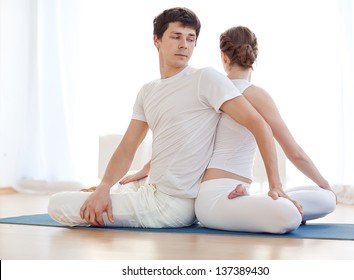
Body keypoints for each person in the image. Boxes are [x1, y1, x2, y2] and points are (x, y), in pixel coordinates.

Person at [47, 8, 285, 228]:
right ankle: (115, 194)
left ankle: (114, 197)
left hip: (171, 204)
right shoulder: (148, 91)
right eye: (176, 36)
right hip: (152, 186)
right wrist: (105, 186)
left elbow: (259, 125)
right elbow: (128, 146)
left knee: (57, 204)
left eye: (190, 39)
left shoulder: (206, 79)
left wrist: (275, 186)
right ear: (157, 40)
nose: (184, 45)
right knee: (107, 188)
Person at [121, 26, 337, 234]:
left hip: (229, 193)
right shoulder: (243, 94)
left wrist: (147, 167)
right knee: (298, 211)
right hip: (215, 199)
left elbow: (183, 138)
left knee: (325, 198)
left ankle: (254, 199)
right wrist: (325, 185)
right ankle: (258, 202)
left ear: (223, 56)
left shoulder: (209, 90)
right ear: (254, 57)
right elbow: (294, 152)